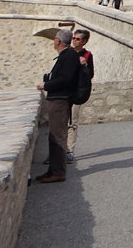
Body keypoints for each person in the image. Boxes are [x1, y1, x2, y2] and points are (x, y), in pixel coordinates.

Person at [35, 28, 81, 183]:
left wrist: (46, 85)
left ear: (58, 41)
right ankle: (52, 170)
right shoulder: (67, 55)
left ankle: (59, 172)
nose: (54, 40)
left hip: (60, 100)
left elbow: (66, 79)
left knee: (58, 137)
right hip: (57, 100)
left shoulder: (69, 56)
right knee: (53, 136)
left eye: (55, 38)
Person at [66, 29, 94, 164]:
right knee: (61, 123)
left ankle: (69, 151)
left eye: (78, 39)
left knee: (73, 122)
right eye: (73, 38)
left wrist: (85, 65)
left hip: (77, 93)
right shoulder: (67, 52)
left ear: (84, 41)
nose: (74, 41)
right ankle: (58, 151)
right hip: (65, 92)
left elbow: (91, 75)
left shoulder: (87, 55)